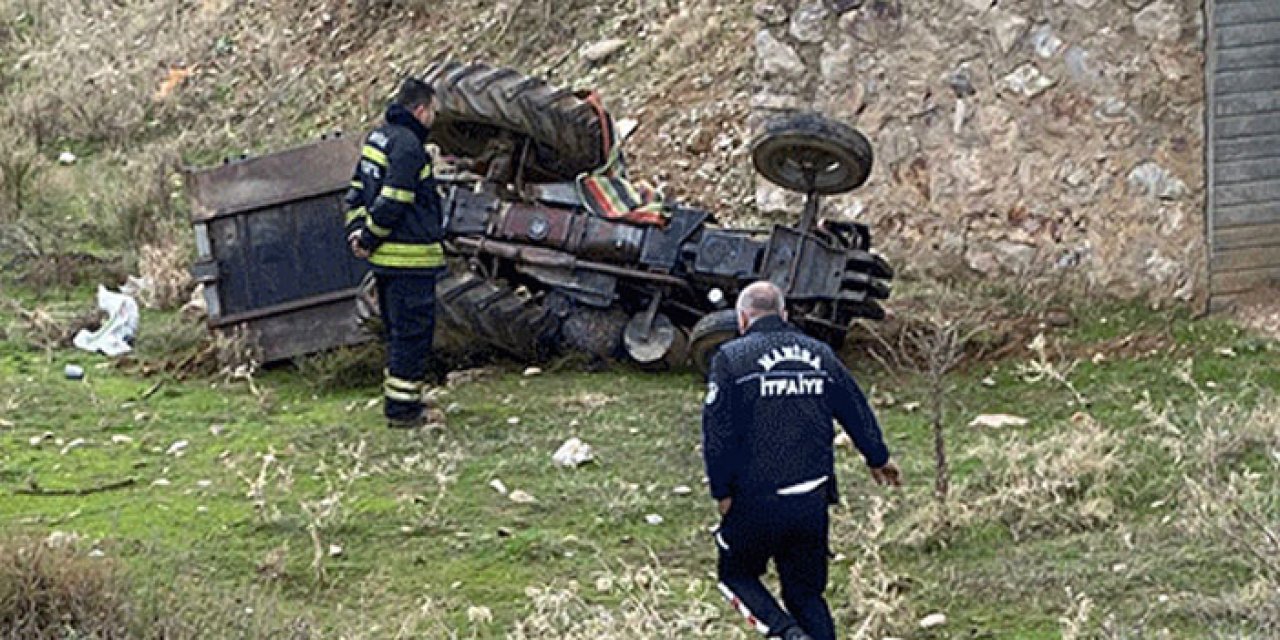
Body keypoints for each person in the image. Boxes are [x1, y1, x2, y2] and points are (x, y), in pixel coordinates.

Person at [702, 281, 902, 640]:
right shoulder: (821, 354)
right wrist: (878, 457)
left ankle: (785, 633)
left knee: (736, 576)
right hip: (812, 499)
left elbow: (717, 434)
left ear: (742, 318)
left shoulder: (731, 359)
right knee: (806, 594)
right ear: (784, 314)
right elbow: (854, 408)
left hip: (756, 500)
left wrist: (722, 492)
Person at [344, 78, 447, 429]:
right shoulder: (408, 147)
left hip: (386, 263)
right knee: (412, 334)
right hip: (410, 261)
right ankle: (403, 411)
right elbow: (394, 200)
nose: (434, 118)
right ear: (419, 110)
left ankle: (404, 398)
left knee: (397, 332)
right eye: (433, 111)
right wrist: (370, 236)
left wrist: (357, 233)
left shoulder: (378, 138)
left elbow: (357, 191)